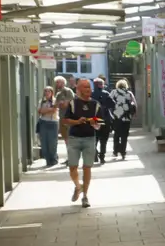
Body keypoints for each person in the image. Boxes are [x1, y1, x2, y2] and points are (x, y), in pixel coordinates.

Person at [61, 77, 102, 206]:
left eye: (89, 87)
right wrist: (77, 122)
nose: (88, 89)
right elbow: (65, 120)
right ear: (78, 90)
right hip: (74, 139)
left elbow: (99, 123)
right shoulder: (73, 103)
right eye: (85, 87)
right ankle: (78, 186)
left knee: (87, 167)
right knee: (72, 167)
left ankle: (85, 196)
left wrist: (94, 123)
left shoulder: (96, 104)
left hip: (90, 138)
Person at [35, 85, 60, 167]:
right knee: (44, 143)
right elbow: (39, 111)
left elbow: (54, 110)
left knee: (52, 143)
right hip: (43, 122)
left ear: (52, 92)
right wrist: (48, 110)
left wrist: (45, 111)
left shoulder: (55, 101)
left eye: (48, 91)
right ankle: (48, 160)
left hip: (53, 123)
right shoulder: (41, 101)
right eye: (45, 91)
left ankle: (54, 159)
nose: (46, 93)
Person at [110, 78, 135, 159]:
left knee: (116, 135)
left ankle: (115, 151)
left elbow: (109, 102)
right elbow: (134, 104)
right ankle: (123, 152)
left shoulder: (114, 92)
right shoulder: (129, 93)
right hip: (127, 118)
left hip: (117, 117)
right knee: (124, 136)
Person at [92, 76, 114, 165]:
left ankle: (94, 153)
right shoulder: (106, 94)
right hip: (105, 118)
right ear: (102, 85)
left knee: (94, 138)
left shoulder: (90, 94)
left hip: (95, 118)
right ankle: (102, 157)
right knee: (104, 139)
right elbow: (113, 104)